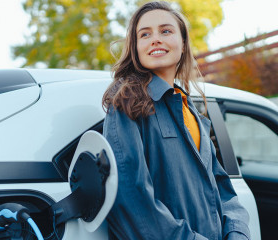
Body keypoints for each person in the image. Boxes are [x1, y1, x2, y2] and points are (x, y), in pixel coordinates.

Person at [102, 1, 250, 240]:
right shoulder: (126, 102)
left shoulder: (193, 113)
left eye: (166, 31)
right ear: (136, 47)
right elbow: (131, 199)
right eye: (145, 34)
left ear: (183, 44)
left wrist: (236, 231)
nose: (155, 39)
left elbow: (222, 188)